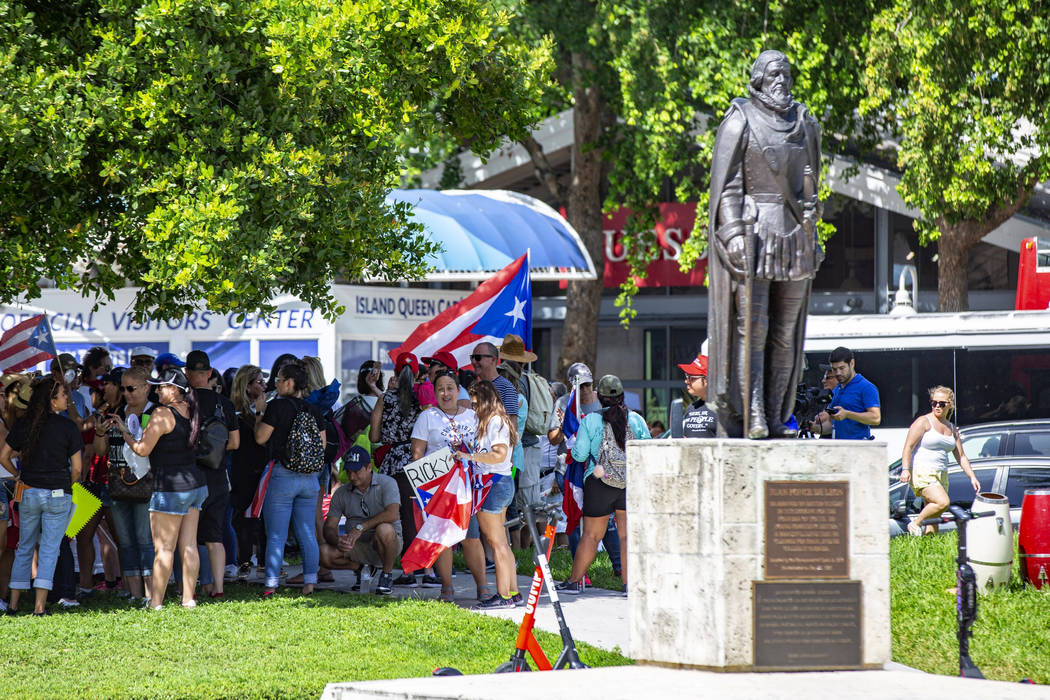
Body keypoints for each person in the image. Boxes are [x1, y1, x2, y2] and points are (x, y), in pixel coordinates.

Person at [707, 50, 823, 439]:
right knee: (752, 331)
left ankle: (776, 415)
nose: (782, 80)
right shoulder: (739, 120)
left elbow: (811, 183)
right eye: (774, 73)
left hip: (795, 240)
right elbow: (727, 188)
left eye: (787, 73)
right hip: (756, 237)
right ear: (757, 78)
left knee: (786, 333)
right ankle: (751, 411)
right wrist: (735, 233)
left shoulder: (804, 122)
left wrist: (813, 211)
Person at [111, 367, 204, 610]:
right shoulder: (191, 409)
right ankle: (188, 598)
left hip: (170, 487)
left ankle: (156, 603)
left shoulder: (162, 413)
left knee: (164, 548)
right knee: (189, 545)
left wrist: (124, 433)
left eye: (161, 386)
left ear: (174, 390)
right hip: (195, 484)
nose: (157, 389)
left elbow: (142, 449)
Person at [556, 375, 651, 596]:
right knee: (626, 535)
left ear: (600, 396)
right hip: (629, 484)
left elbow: (578, 455)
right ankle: (629, 585)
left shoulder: (590, 420)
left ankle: (574, 582)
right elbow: (647, 450)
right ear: (622, 395)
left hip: (599, 482)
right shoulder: (636, 420)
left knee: (591, 535)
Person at [0, 376, 82, 615]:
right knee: (49, 549)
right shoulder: (67, 427)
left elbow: (4, 456)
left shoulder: (26, 424)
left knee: (24, 547)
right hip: (57, 493)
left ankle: (13, 604)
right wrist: (68, 484)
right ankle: (39, 607)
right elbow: (77, 468)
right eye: (63, 395)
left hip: (29, 492)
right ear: (52, 400)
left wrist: (18, 476)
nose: (67, 398)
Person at [254, 360, 325, 597]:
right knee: (307, 532)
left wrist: (259, 412)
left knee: (276, 534)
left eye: (278, 380)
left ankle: (271, 584)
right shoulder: (314, 410)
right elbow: (321, 446)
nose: (276, 384)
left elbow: (260, 438)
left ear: (289, 383)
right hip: (310, 478)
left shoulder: (277, 407)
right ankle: (310, 583)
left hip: (283, 476)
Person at [409, 368, 480, 602]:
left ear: (458, 390)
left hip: (468, 488)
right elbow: (417, 454)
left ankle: (483, 587)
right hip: (440, 490)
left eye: (450, 388)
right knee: (444, 539)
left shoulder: (472, 416)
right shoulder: (427, 417)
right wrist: (424, 489)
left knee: (471, 536)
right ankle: (447, 587)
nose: (445, 393)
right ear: (434, 392)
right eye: (440, 389)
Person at [93, 366, 155, 603]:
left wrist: (124, 429)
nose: (127, 394)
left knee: (144, 540)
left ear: (146, 387)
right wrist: (100, 434)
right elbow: (101, 451)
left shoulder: (152, 413)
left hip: (143, 484)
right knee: (126, 542)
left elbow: (144, 448)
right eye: (124, 389)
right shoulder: (117, 411)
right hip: (117, 483)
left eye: (132, 388)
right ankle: (133, 592)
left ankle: (150, 593)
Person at [184, 350, 239, 598]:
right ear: (209, 373)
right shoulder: (224, 404)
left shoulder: (183, 402)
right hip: (218, 476)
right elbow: (235, 443)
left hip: (190, 476)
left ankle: (192, 587)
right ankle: (217, 588)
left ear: (186, 373)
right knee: (214, 536)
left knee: (190, 537)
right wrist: (214, 451)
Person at [369, 352, 426, 586]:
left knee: (396, 517)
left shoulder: (385, 399)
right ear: (417, 374)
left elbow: (374, 435)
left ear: (395, 373)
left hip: (392, 462)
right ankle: (420, 567)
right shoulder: (422, 399)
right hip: (417, 461)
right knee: (414, 516)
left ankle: (407, 570)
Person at [466, 380, 520, 609]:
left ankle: (503, 596)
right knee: (502, 543)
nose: (473, 408)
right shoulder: (495, 421)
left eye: (475, 403)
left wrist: (470, 458)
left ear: (485, 400)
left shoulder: (496, 421)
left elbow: (498, 454)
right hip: (501, 484)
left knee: (496, 543)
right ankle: (513, 592)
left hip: (494, 485)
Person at [319, 446, 402, 594]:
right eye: (349, 471)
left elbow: (392, 514)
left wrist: (360, 528)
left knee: (385, 529)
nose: (352, 477)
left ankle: (387, 575)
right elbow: (329, 527)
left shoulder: (387, 483)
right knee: (323, 553)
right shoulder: (342, 492)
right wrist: (337, 540)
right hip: (357, 545)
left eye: (357, 471)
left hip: (387, 542)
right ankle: (363, 570)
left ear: (369, 467)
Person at [900, 386, 980, 536]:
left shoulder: (951, 428)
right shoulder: (923, 422)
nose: (937, 406)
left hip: (941, 473)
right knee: (942, 502)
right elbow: (908, 447)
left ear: (950, 404)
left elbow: (961, 456)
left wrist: (972, 477)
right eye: (934, 402)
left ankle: (929, 550)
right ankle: (915, 523)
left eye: (941, 403)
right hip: (923, 471)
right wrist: (905, 469)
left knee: (933, 517)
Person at [229, 365, 269, 580]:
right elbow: (256, 437)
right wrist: (260, 412)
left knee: (262, 518)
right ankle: (244, 562)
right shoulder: (238, 412)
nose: (264, 386)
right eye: (259, 382)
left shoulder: (264, 408)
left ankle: (262, 561)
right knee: (244, 518)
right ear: (246, 386)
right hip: (243, 470)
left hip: (262, 469)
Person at [812, 346, 881, 439]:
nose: (838, 373)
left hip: (858, 447)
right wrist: (814, 428)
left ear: (852, 363)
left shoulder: (866, 387)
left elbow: (876, 418)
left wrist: (847, 414)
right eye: (834, 369)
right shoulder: (837, 389)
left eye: (841, 368)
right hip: (839, 447)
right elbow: (832, 426)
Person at [679, 354, 716, 438]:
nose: (686, 381)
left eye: (692, 377)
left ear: (707, 380)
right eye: (687, 376)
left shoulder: (722, 410)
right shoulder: (691, 408)